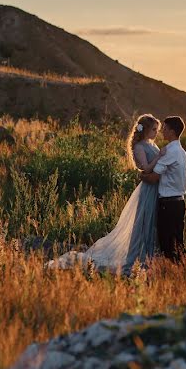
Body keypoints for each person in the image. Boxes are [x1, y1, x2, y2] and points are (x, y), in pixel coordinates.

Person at [47, 114, 163, 274]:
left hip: (156, 188)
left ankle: (153, 256)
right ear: (145, 130)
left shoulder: (152, 144)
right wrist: (160, 157)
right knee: (144, 222)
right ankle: (139, 258)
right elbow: (145, 168)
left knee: (154, 222)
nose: (156, 133)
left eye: (157, 130)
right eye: (154, 129)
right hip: (148, 190)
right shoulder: (139, 147)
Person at [141, 115, 186, 262]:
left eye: (165, 129)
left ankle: (170, 272)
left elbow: (154, 177)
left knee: (166, 242)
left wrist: (141, 176)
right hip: (179, 203)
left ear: (172, 132)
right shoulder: (182, 152)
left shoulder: (169, 151)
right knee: (178, 241)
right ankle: (182, 271)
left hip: (168, 204)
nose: (162, 132)